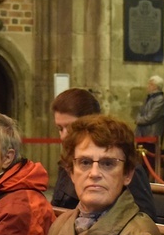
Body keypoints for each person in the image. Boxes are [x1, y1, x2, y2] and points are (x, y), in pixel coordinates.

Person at [32, 115, 164, 235]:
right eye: (85, 162)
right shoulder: (62, 223)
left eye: (108, 163)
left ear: (127, 174)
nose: (94, 173)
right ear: (71, 172)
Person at [50, 88, 157, 221]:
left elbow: (146, 218)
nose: (64, 136)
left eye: (71, 127)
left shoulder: (122, 165)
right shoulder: (67, 163)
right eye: (60, 129)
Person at [135, 75, 164, 143]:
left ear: (156, 86)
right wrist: (138, 118)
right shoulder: (149, 98)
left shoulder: (160, 100)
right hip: (142, 134)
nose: (148, 86)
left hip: (152, 134)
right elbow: (141, 111)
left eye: (150, 84)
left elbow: (151, 117)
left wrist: (139, 120)